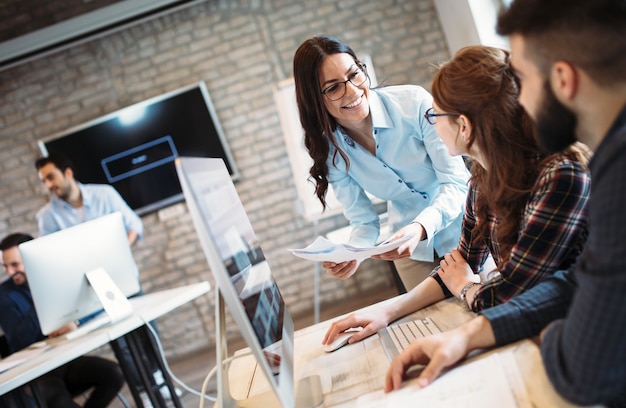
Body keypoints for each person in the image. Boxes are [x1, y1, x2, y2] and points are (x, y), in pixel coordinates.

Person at [384, 1, 626, 407]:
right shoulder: (608, 159)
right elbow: (577, 282)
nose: (518, 100)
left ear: (563, 79)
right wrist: (465, 335)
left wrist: (547, 333)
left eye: (524, 80)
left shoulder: (600, 169)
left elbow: (582, 370)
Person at [322, 44, 591, 346]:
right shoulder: (481, 181)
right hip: (537, 328)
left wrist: (467, 288)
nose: (431, 122)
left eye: (434, 113)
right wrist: (385, 312)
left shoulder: (559, 177)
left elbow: (509, 292)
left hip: (582, 333)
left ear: (463, 125)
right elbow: (461, 261)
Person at [293, 35, 470, 290]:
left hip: (465, 230)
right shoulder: (331, 151)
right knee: (428, 326)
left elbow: (455, 181)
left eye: (354, 74)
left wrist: (420, 227)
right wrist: (354, 253)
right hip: (411, 253)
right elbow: (364, 221)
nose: (352, 91)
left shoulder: (413, 103)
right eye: (333, 88)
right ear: (314, 99)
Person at [0, 233, 125, 408]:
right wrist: (40, 290)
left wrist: (75, 323)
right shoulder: (4, 295)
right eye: (6, 266)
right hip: (36, 373)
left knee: (114, 373)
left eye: (15, 264)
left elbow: (91, 307)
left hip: (65, 361)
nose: (10, 272)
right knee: (61, 402)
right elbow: (21, 340)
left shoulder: (58, 277)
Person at [35, 152, 143, 246]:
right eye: (44, 181)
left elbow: (134, 225)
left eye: (51, 177)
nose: (48, 185)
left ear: (68, 173)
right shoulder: (46, 216)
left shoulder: (104, 194)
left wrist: (122, 249)